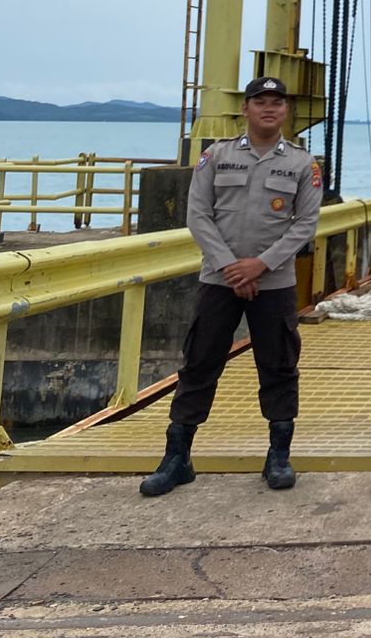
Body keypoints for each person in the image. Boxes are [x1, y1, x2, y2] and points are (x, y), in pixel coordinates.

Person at [140, 77, 322, 497]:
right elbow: (198, 215)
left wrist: (259, 265)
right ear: (246, 108)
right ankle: (176, 459)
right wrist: (230, 267)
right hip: (218, 281)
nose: (269, 109)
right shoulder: (216, 156)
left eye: (278, 102)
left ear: (286, 111)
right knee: (199, 363)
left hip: (273, 283)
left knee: (278, 366)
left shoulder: (301, 164)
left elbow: (305, 225)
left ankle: (278, 456)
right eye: (261, 101)